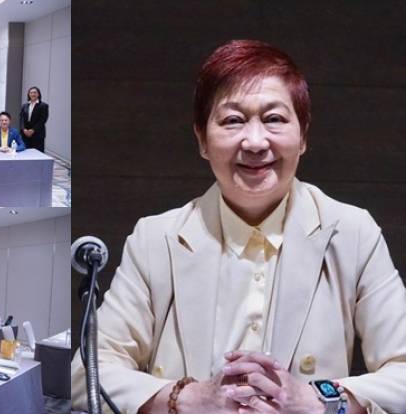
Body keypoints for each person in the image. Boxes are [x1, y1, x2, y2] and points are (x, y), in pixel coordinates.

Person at [70, 40, 406, 414]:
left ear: (303, 136)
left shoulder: (353, 233)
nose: (256, 142)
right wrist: (188, 398)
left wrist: (318, 401)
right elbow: (85, 375)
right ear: (202, 140)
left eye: (274, 119)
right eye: (233, 120)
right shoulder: (155, 240)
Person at [19, 86, 49, 152]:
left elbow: (43, 120)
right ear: (29, 94)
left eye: (35, 92)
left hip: (37, 134)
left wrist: (33, 130)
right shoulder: (24, 105)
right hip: (25, 134)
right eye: (31, 93)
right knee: (25, 153)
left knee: (37, 153)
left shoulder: (43, 105)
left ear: (38, 94)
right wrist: (23, 129)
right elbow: (21, 118)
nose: (33, 94)